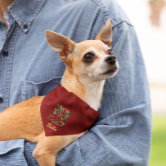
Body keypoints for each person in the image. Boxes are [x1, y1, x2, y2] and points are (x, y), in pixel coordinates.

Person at [0, 0, 151, 165]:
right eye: (89, 57)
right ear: (65, 52)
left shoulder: (99, 14)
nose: (109, 58)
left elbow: (123, 151)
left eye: (108, 52)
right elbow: (43, 153)